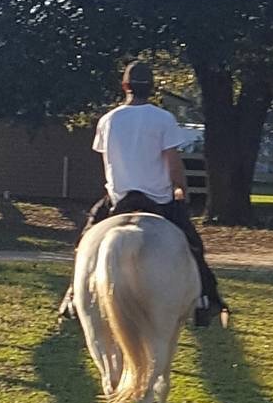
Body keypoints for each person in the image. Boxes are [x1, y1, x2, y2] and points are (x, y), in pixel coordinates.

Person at [58, 60, 228, 328]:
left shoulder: (108, 120)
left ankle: (73, 296)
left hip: (118, 199)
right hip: (157, 200)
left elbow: (108, 160)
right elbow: (173, 161)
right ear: (152, 88)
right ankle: (205, 300)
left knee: (83, 244)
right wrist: (180, 189)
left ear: (124, 86)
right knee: (194, 245)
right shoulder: (163, 119)